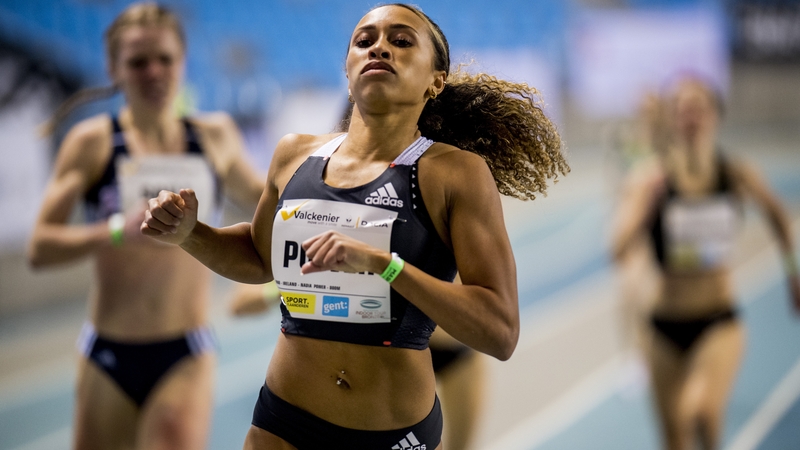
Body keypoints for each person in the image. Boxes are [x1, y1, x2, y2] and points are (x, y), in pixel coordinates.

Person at [143, 3, 568, 449]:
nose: (379, 47)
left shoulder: (455, 174)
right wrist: (191, 233)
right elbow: (257, 257)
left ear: (435, 80)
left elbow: (500, 332)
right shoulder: (293, 156)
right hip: (283, 420)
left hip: (391, 433)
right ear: (347, 70)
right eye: (364, 41)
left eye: (401, 41)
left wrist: (384, 266)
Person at [27, 3, 264, 449]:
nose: (153, 71)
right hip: (108, 352)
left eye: (165, 59)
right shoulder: (94, 142)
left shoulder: (212, 135)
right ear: (115, 68)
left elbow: (265, 199)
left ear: (183, 62)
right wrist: (117, 230)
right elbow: (40, 248)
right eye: (138, 62)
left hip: (185, 350)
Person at [611, 76, 800, 450]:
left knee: (702, 413)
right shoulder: (650, 178)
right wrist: (647, 207)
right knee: (673, 438)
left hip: (717, 319)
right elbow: (617, 249)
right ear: (672, 118)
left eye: (698, 107)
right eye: (681, 109)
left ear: (715, 115)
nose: (690, 116)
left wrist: (793, 274)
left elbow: (779, 215)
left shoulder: (734, 173)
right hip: (662, 326)